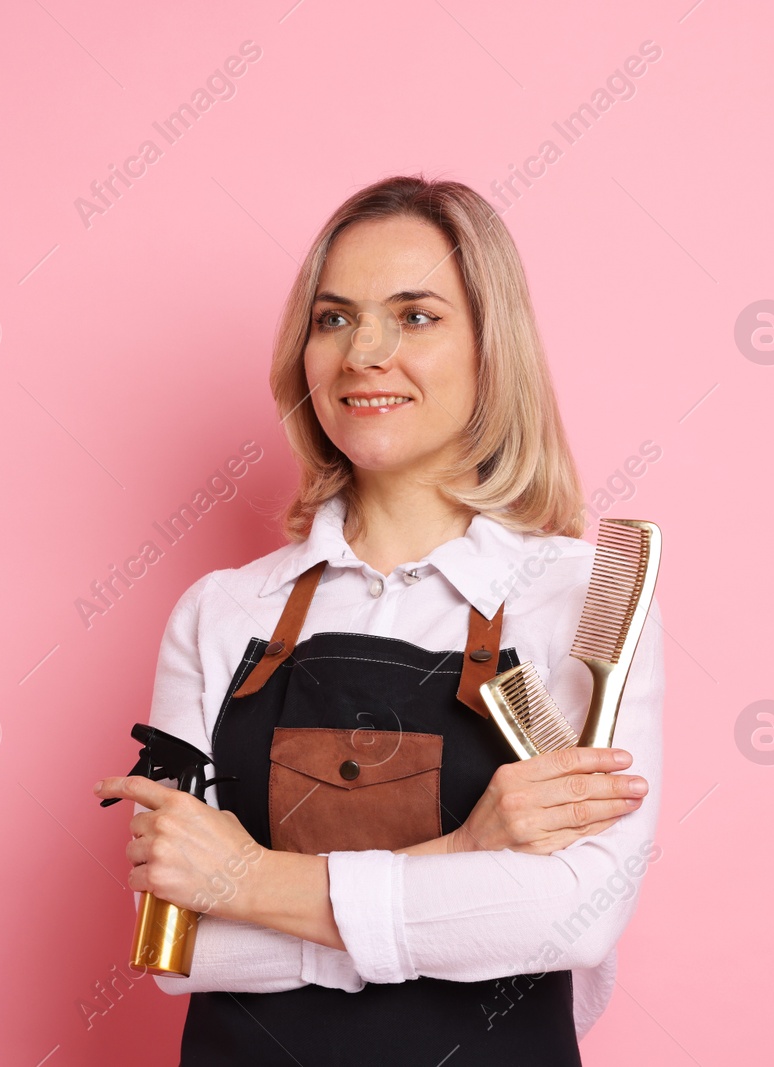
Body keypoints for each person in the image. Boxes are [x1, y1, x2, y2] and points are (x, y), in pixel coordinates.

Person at [93, 175, 664, 1065]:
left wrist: (250, 881)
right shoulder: (219, 613)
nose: (365, 351)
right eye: (334, 318)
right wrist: (459, 854)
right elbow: (176, 949)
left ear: (491, 348)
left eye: (416, 315)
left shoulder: (585, 598)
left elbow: (567, 917)